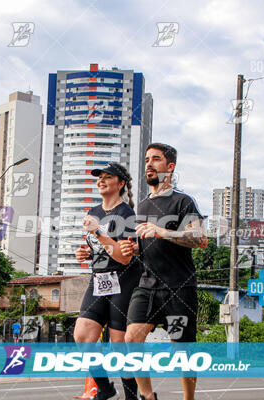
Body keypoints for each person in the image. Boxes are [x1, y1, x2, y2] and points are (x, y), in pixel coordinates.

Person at [119, 143, 208, 400]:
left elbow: (200, 238)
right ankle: (148, 396)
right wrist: (132, 249)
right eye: (147, 159)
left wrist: (162, 231)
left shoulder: (183, 201)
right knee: (132, 339)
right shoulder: (143, 205)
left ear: (170, 167)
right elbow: (145, 243)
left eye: (156, 159)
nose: (149, 164)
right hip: (147, 285)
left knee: (182, 350)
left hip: (179, 286)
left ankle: (188, 398)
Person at [73, 162, 141, 400]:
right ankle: (105, 387)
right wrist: (85, 253)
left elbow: (123, 257)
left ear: (121, 184)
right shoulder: (93, 212)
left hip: (124, 280)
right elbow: (99, 248)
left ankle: (132, 396)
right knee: (83, 336)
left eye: (107, 177)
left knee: (119, 346)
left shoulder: (126, 215)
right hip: (99, 278)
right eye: (99, 177)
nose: (101, 180)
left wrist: (98, 232)